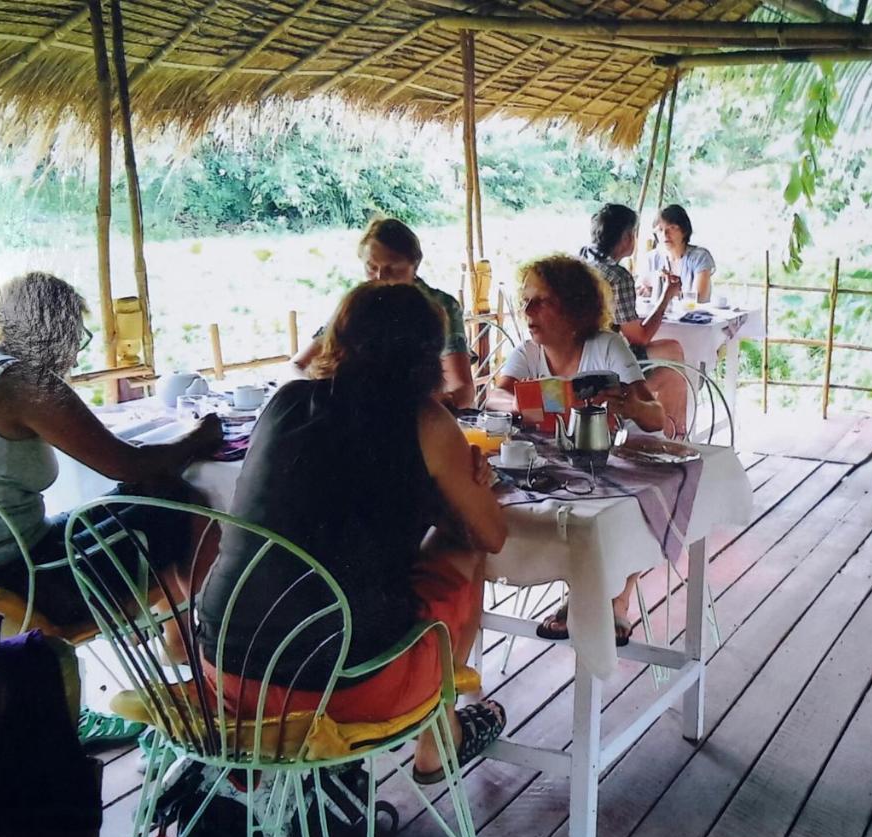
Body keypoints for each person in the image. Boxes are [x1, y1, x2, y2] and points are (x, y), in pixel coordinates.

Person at [199, 283, 508, 783]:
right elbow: (491, 534)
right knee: (463, 548)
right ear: (428, 353)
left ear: (337, 338)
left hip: (225, 672)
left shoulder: (286, 401)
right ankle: (440, 735)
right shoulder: (426, 421)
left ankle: (258, 765)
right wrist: (472, 488)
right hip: (343, 687)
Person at [0, 272, 222, 630]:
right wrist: (199, 436)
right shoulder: (22, 380)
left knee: (150, 493)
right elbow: (126, 464)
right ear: (57, 329)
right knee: (178, 503)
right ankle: (199, 636)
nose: (76, 358)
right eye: (77, 337)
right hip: (10, 580)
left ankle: (175, 633)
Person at [485, 255, 665, 645]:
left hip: (615, 457)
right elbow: (493, 396)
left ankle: (617, 599)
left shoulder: (606, 346)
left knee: (624, 508)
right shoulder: (530, 352)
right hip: (558, 463)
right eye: (526, 300)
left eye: (541, 301)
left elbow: (655, 417)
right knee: (550, 509)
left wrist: (629, 405)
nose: (527, 310)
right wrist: (524, 403)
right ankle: (580, 589)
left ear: (573, 308)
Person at [292, 218, 476, 409]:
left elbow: (462, 389)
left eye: (392, 268)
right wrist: (319, 399)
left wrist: (426, 412)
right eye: (372, 268)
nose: (380, 277)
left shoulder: (438, 306)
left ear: (415, 264)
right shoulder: (358, 304)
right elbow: (298, 365)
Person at [580, 203, 688, 436]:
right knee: (674, 356)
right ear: (628, 237)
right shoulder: (618, 277)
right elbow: (639, 338)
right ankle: (672, 437)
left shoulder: (581, 259)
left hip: (578, 355)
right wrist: (667, 296)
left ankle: (666, 431)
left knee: (672, 364)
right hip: (604, 365)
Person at [640, 204, 716, 304]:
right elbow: (639, 290)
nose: (665, 235)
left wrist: (665, 292)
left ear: (684, 230)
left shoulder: (700, 257)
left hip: (691, 318)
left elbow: (700, 298)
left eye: (672, 228)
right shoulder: (652, 258)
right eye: (660, 230)